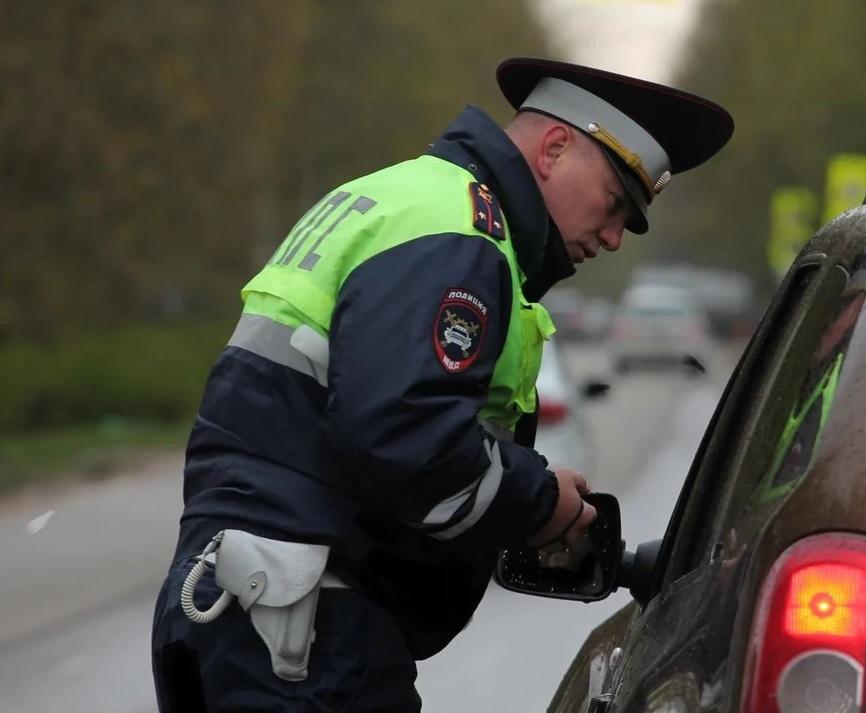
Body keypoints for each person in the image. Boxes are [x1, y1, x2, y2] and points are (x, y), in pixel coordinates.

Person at [151, 56, 733, 712]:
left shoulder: (396, 196)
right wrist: (544, 504)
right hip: (303, 632)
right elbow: (405, 434)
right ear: (554, 148)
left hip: (240, 602)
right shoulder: (459, 233)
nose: (613, 237)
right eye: (615, 202)